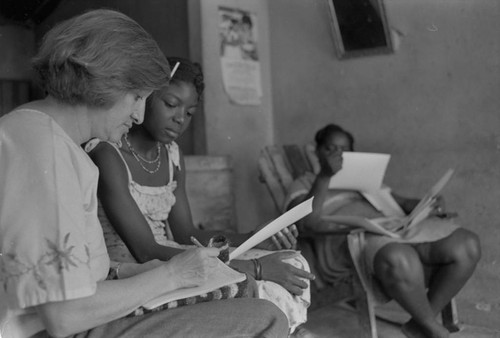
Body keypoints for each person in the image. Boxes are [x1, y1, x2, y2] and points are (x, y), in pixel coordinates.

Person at [0, 9, 289, 338]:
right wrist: (170, 277)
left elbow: (65, 271)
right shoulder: (43, 149)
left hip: (78, 318)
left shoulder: (46, 137)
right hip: (56, 330)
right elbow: (64, 314)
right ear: (103, 84)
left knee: (239, 290)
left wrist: (135, 273)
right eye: (137, 97)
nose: (138, 116)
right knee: (265, 317)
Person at [88, 57, 316, 337]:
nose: (180, 118)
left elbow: (186, 232)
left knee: (291, 262)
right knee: (254, 283)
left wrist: (253, 236)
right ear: (143, 98)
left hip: (175, 253)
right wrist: (253, 267)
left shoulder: (171, 154)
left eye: (190, 112)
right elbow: (145, 250)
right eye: (170, 104)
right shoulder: (108, 154)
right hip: (139, 269)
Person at [285, 123, 481, 338]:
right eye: (330, 148)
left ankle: (418, 324)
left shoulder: (363, 179)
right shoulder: (304, 182)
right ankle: (432, 328)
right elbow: (303, 224)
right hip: (351, 240)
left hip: (394, 228)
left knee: (467, 245)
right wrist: (324, 176)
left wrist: (429, 204)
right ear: (317, 152)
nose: (337, 154)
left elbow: (403, 202)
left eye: (344, 149)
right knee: (398, 257)